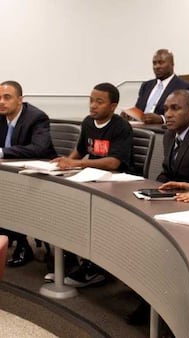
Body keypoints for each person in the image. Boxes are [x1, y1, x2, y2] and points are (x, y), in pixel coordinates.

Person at [53, 83, 133, 287]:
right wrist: (64, 163)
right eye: (91, 100)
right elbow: (79, 151)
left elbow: (114, 162)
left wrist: (77, 163)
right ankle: (69, 263)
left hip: (115, 184)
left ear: (113, 106)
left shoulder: (121, 126)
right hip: (91, 179)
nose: (93, 106)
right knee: (63, 208)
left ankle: (94, 270)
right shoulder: (88, 122)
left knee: (88, 215)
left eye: (99, 101)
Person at [0, 80, 57, 267]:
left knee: (10, 197)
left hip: (39, 178)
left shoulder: (36, 117)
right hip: (11, 175)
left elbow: (39, 148)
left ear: (20, 100)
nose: (1, 102)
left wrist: (2, 152)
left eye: (6, 97)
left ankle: (23, 245)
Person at [156, 89, 189, 185]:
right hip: (172, 194)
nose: (168, 115)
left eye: (175, 108)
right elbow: (167, 173)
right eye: (166, 109)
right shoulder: (169, 135)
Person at [131, 49, 189, 124]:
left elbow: (187, 115)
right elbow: (139, 109)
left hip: (164, 130)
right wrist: (131, 115)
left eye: (161, 63)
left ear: (172, 64)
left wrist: (162, 119)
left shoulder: (184, 87)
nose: (157, 66)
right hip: (141, 127)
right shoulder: (146, 85)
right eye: (154, 63)